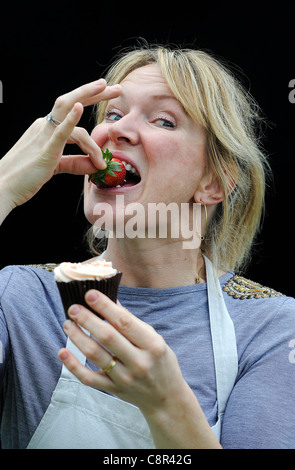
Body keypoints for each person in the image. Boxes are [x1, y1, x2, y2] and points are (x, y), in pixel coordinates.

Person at [0, 44, 294, 449]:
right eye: (114, 114)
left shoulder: (273, 327)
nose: (115, 130)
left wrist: (168, 406)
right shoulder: (21, 297)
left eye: (164, 120)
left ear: (214, 182)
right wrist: (3, 186)